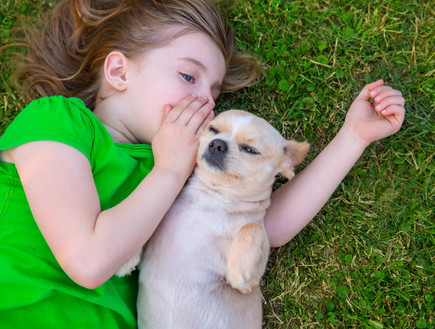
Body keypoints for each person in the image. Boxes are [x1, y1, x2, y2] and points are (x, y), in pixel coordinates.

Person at [0, 0, 405, 328]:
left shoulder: (181, 165)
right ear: (119, 71)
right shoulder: (57, 121)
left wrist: (354, 137)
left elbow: (268, 223)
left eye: (214, 92)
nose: (208, 103)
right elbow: (88, 261)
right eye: (189, 77)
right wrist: (169, 170)